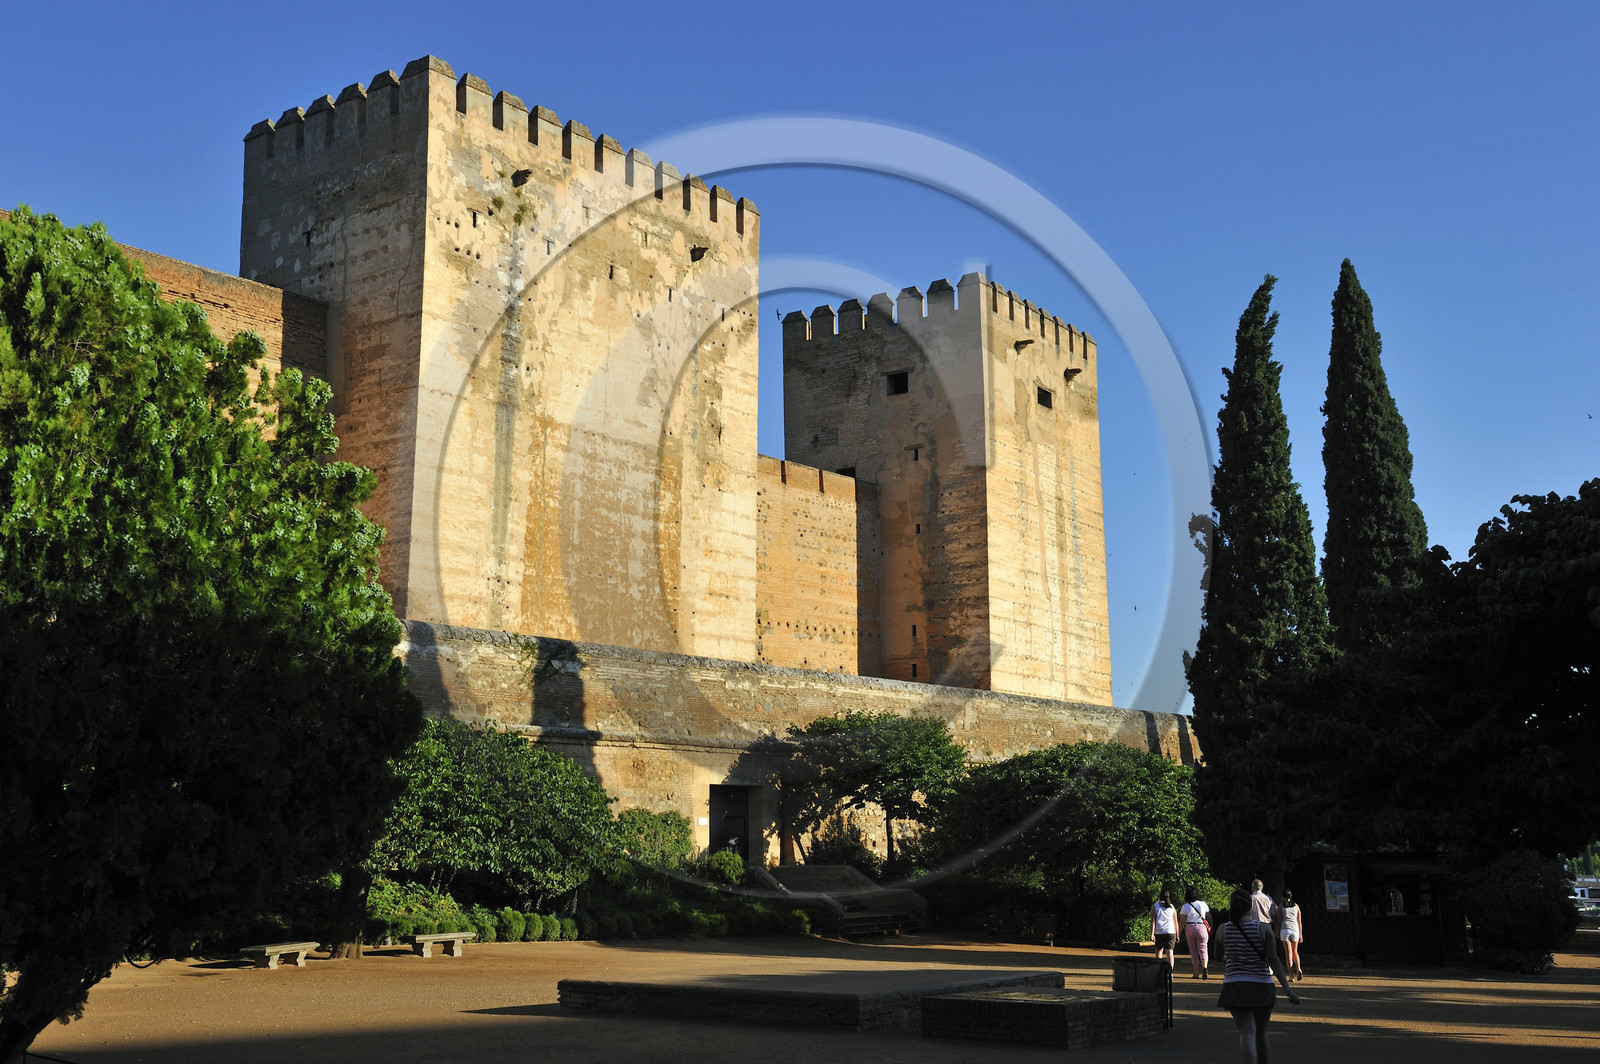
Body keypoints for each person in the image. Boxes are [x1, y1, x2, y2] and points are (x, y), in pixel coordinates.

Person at [1218, 888, 1300, 1064]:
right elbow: (1273, 960)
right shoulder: (1263, 929)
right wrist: (1287, 989)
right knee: (1261, 1033)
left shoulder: (1223, 930)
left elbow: (1218, 956)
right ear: (1250, 906)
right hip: (1261, 984)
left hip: (1235, 984)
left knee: (1246, 1033)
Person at [1180, 889, 1212, 978]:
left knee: (1193, 951)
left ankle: (1196, 973)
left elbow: (1182, 921)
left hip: (1190, 927)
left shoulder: (1185, 906)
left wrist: (1178, 933)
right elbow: (1209, 917)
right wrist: (1211, 927)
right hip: (1202, 927)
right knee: (1203, 949)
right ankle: (1205, 967)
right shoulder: (1203, 904)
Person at [1279, 889, 1304, 981]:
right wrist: (1300, 934)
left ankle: (1291, 975)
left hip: (1285, 929)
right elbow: (1299, 921)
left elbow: (1279, 919)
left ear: (1283, 897)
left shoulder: (1281, 906)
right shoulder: (1296, 906)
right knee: (1295, 952)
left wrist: (1277, 931)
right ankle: (1299, 968)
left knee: (1288, 953)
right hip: (1295, 929)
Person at [1151, 892, 1179, 969]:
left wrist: (1152, 934)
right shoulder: (1172, 907)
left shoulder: (1155, 906)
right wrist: (1177, 935)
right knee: (1170, 952)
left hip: (1159, 931)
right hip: (1171, 931)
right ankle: (1170, 972)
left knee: (1159, 951)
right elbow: (1175, 922)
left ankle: (1158, 970)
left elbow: (1153, 921)